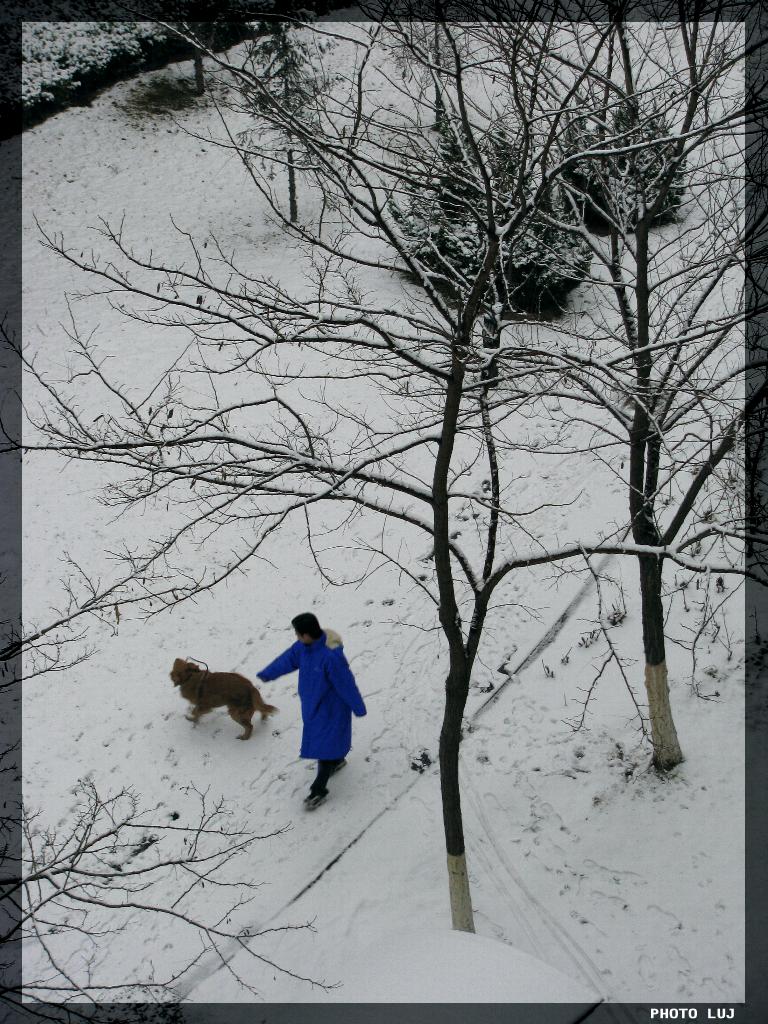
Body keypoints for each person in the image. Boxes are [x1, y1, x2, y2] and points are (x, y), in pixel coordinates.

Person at [257, 612, 367, 810]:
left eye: (298, 634)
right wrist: (268, 673)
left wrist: (357, 706)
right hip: (312, 706)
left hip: (331, 709)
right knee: (326, 745)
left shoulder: (331, 657)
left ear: (307, 634)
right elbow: (287, 659)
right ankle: (337, 760)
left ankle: (318, 791)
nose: (297, 637)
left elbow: (346, 684)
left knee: (323, 748)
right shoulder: (303, 648)